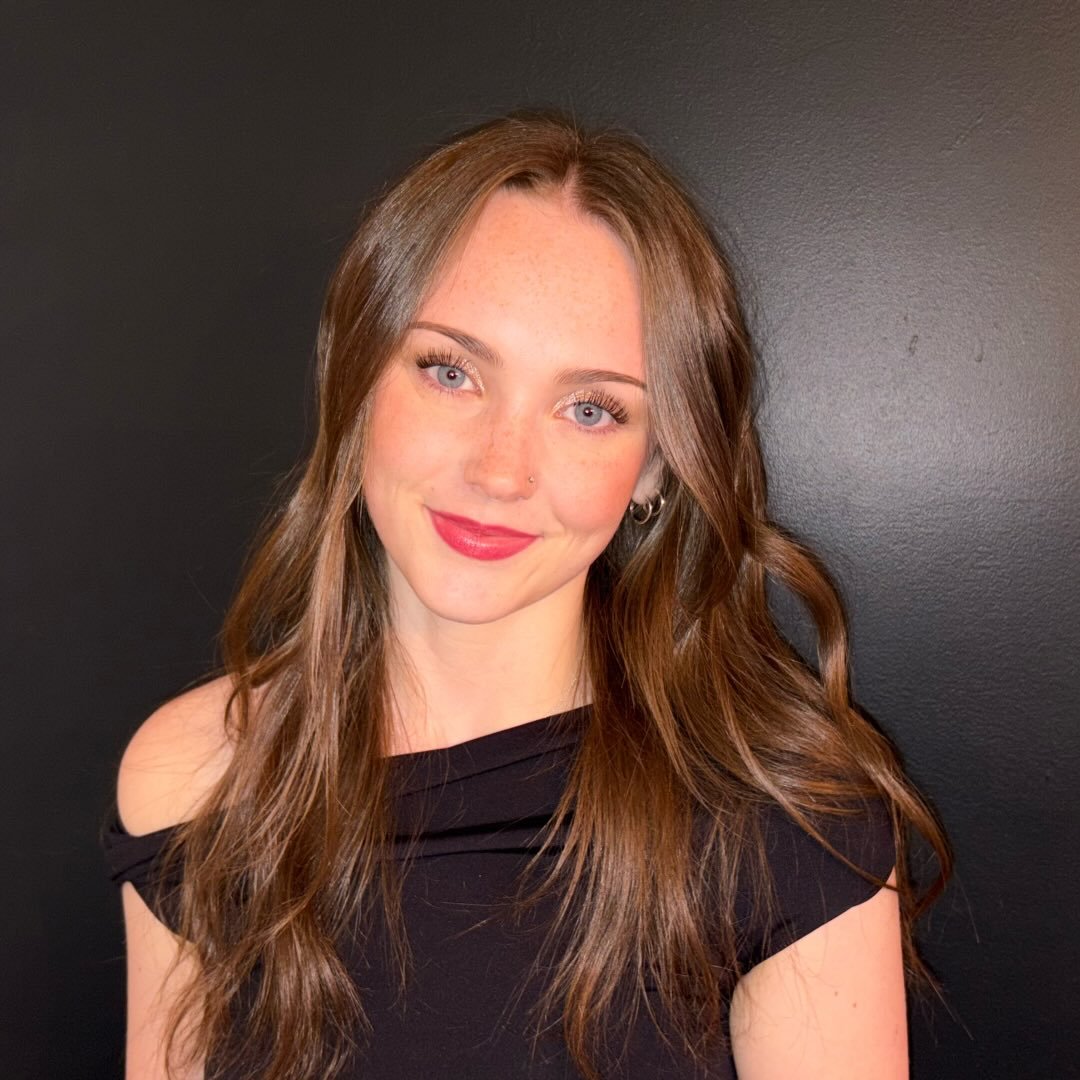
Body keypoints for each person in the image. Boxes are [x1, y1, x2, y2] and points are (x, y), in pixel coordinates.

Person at [102, 110, 950, 1080]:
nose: (501, 471)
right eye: (450, 371)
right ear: (358, 382)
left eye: (590, 409)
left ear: (656, 466)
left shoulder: (787, 822)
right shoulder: (191, 777)